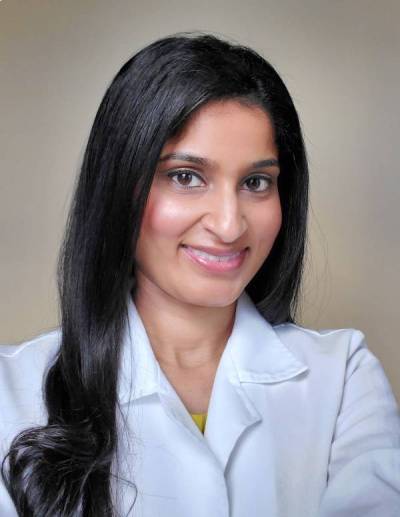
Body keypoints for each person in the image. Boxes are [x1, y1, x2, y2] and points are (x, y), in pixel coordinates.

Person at [1, 31, 399, 517]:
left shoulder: (341, 376)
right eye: (186, 177)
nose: (230, 225)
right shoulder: (9, 391)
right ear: (119, 186)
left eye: (257, 182)